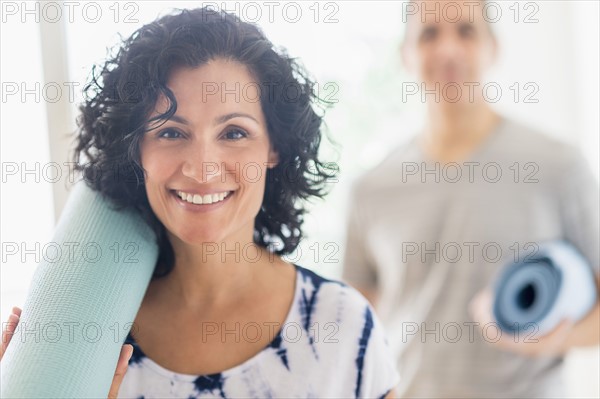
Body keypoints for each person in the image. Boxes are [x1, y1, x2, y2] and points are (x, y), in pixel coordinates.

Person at [1, 7, 399, 399]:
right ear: (136, 150)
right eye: (172, 133)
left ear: (274, 147)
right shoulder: (90, 344)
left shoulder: (342, 327)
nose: (203, 169)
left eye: (234, 132)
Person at [341, 0, 600, 398]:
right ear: (405, 55)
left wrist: (550, 340)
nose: (448, 49)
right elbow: (354, 329)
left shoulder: (558, 166)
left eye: (466, 31)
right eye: (429, 34)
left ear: (493, 47)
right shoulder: (371, 189)